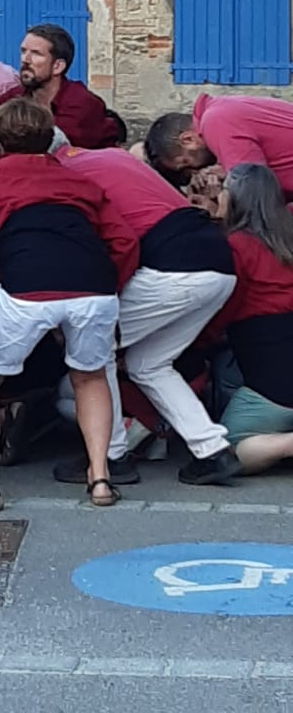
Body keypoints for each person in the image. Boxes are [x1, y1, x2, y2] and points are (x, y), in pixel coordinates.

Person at [0, 100, 139, 512]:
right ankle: (100, 479)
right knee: (90, 377)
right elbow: (124, 241)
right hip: (93, 285)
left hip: (27, 285)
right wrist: (108, 289)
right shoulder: (80, 181)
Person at [53, 143, 239, 486]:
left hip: (172, 266)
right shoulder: (113, 157)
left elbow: (114, 244)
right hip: (218, 262)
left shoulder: (64, 175)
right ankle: (212, 449)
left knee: (94, 351)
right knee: (148, 363)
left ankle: (110, 456)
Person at [200, 163, 293, 473]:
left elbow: (223, 308)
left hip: (273, 380)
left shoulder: (237, 246)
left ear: (237, 198)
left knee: (231, 449)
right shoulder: (287, 237)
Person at [0, 25, 124, 148]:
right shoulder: (18, 94)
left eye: (36, 53)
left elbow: (46, 146)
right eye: (23, 51)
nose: (25, 60)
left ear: (57, 66)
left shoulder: (81, 102)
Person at [146, 96, 293, 199]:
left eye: (186, 162)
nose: (195, 170)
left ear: (188, 139)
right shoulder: (221, 108)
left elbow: (255, 196)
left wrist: (218, 205)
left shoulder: (216, 122)